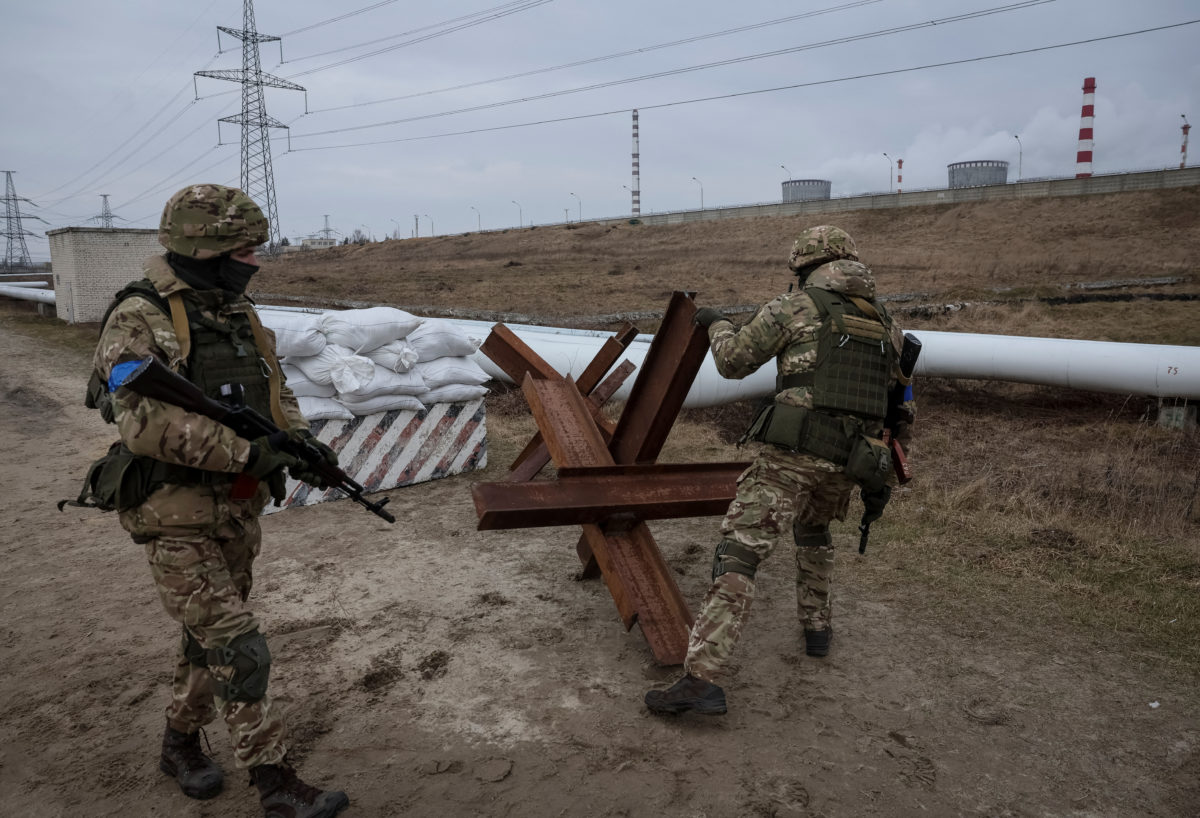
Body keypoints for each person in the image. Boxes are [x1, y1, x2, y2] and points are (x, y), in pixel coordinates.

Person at [87, 183, 350, 817]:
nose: (255, 262)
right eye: (245, 250)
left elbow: (275, 397)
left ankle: (179, 744)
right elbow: (141, 422)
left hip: (235, 509)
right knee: (238, 644)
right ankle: (276, 783)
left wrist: (305, 446)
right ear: (205, 250)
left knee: (205, 641)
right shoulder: (139, 316)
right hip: (171, 513)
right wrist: (250, 455)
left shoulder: (235, 313)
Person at [645, 225, 914, 716]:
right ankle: (817, 630)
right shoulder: (888, 324)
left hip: (794, 451)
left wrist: (716, 323)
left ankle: (702, 678)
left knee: (740, 550)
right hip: (852, 458)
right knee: (813, 531)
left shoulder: (794, 307)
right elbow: (901, 407)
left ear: (805, 267)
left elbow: (731, 363)